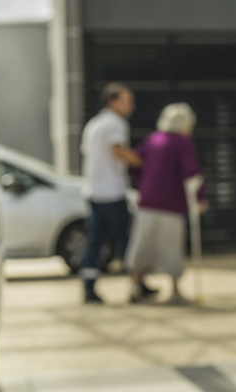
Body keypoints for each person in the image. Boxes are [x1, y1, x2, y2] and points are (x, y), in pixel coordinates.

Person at [125, 103, 207, 304]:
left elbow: (136, 161)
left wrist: (144, 182)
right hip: (171, 203)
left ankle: (135, 286)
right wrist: (199, 198)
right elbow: (191, 173)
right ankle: (175, 290)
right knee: (170, 246)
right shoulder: (181, 142)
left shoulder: (153, 139)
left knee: (142, 244)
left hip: (147, 201)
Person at [79, 83, 145, 304]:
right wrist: (144, 162)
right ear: (113, 101)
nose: (132, 106)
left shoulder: (94, 124)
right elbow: (118, 150)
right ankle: (137, 285)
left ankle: (88, 287)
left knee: (94, 242)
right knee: (125, 241)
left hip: (94, 192)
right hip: (112, 193)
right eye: (128, 101)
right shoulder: (115, 124)